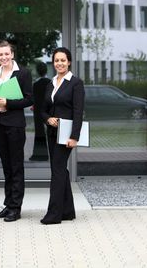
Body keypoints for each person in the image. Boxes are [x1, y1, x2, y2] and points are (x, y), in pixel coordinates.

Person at [40, 47, 85, 225]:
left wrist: (75, 137)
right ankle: (67, 211)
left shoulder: (75, 83)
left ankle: (54, 214)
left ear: (69, 62)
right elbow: (42, 109)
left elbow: (78, 111)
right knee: (60, 171)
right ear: (53, 63)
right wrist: (47, 119)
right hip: (52, 133)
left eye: (63, 60)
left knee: (57, 172)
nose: (59, 63)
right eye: (56, 60)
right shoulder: (51, 83)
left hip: (66, 135)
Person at [0, 41, 33, 222]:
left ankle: (16, 207)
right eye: (0, 55)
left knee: (16, 166)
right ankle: (8, 204)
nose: (4, 57)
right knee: (6, 167)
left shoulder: (23, 73)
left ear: (12, 54)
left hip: (15, 125)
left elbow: (29, 99)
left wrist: (8, 103)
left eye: (6, 54)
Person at [29, 61, 51, 161]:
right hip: (49, 110)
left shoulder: (36, 84)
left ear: (38, 71)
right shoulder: (50, 83)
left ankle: (40, 154)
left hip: (38, 111)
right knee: (52, 133)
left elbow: (34, 98)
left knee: (39, 132)